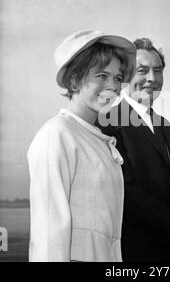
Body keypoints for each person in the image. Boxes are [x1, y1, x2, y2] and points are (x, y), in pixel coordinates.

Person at [96, 38, 170, 262]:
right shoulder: (108, 123)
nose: (152, 78)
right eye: (142, 70)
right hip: (136, 253)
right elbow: (128, 195)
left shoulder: (167, 127)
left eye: (158, 71)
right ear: (124, 76)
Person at [27, 29, 136, 261]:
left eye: (117, 78)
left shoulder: (95, 139)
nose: (114, 86)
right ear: (74, 80)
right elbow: (47, 235)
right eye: (102, 76)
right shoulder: (57, 134)